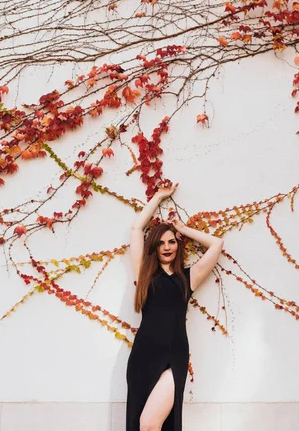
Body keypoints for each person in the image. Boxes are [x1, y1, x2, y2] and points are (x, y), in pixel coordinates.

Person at [126, 181, 224, 431]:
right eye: (161, 243)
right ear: (154, 248)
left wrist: (183, 229)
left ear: (177, 245)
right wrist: (158, 197)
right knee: (141, 426)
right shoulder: (145, 274)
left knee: (149, 424)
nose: (167, 247)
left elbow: (216, 244)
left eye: (171, 242)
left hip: (174, 356)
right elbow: (137, 228)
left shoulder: (188, 277)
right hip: (143, 355)